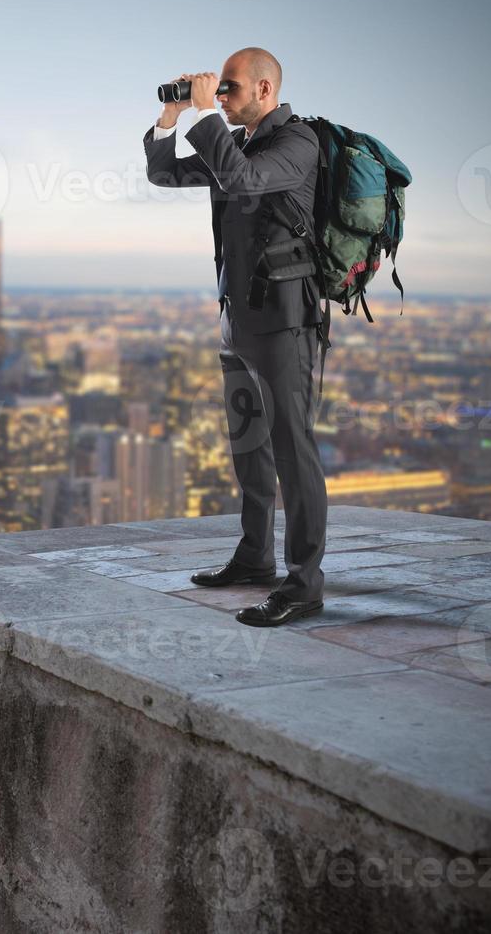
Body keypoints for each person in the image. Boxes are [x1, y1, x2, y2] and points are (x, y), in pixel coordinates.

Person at [143, 47, 327, 628]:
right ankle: (254, 558)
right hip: (238, 318)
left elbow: (243, 180)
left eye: (230, 88)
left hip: (285, 318)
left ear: (266, 90)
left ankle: (304, 585)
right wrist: (171, 119)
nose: (220, 97)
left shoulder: (297, 145)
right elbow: (163, 173)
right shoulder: (239, 142)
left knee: (292, 451)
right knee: (249, 445)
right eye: (216, 89)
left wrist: (204, 118)